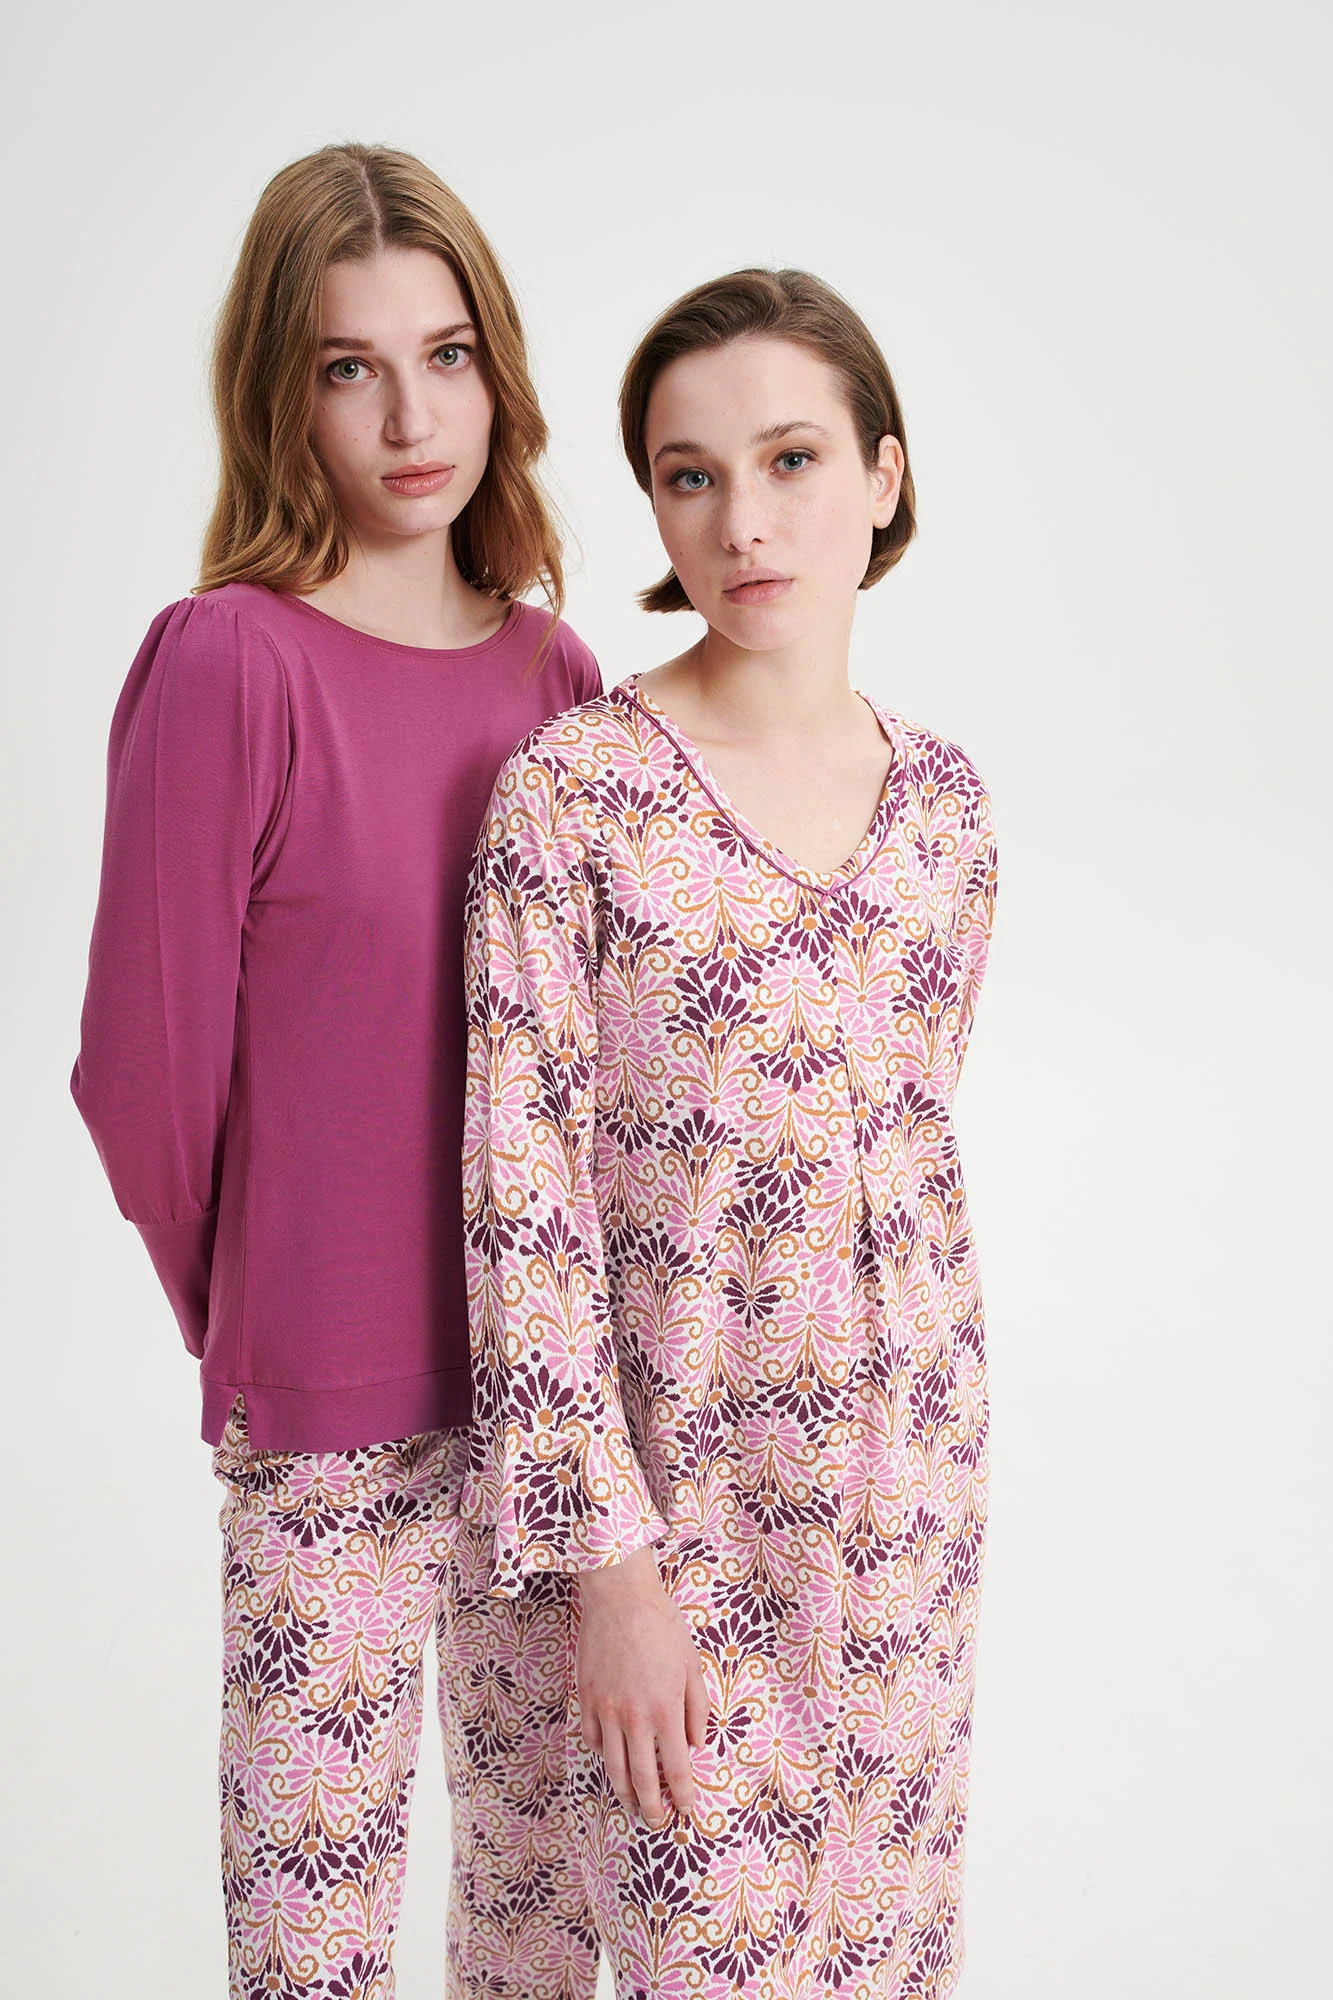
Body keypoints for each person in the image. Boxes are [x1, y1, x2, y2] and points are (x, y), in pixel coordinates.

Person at [71, 144, 603, 2000]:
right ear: (277, 395)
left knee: (544, 1935)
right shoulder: (228, 663)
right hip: (320, 1411)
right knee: (312, 1954)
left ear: (496, 371)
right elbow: (140, 1073)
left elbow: (594, 1071)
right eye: (346, 367)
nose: (408, 418)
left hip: (554, 1416)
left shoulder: (555, 679)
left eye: (444, 357)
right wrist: (254, 1313)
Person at [460, 267, 999, 1999]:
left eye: (789, 460)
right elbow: (521, 1206)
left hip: (901, 1523)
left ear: (882, 477)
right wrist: (611, 1572)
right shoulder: (574, 794)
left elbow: (901, 1171)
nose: (742, 522)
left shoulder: (947, 810)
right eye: (689, 476)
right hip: (659, 1532)